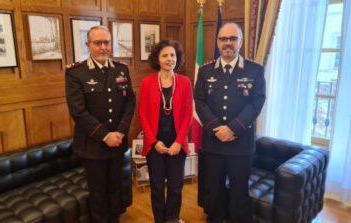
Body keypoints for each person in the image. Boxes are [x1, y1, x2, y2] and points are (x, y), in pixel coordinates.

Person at [194, 23, 266, 223]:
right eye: (223, 39)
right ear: (217, 42)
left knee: (239, 192)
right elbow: (199, 101)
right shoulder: (206, 71)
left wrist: (233, 129)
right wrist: (216, 129)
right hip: (214, 143)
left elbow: (256, 102)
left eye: (232, 39)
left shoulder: (255, 70)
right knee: (214, 190)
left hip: (240, 144)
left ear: (240, 42)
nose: (228, 43)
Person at [65, 25, 135, 223]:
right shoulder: (75, 73)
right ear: (88, 45)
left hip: (118, 143)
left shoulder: (121, 69)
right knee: (98, 193)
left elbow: (130, 102)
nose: (103, 47)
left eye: (107, 42)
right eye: (98, 43)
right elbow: (78, 112)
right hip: (93, 145)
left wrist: (120, 132)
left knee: (115, 188)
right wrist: (105, 135)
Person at [138, 39, 193, 223]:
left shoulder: (185, 82)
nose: (169, 59)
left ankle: (172, 219)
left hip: (177, 144)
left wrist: (178, 142)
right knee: (157, 186)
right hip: (155, 144)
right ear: (157, 59)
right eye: (165, 55)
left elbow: (187, 114)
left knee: (176, 186)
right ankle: (159, 220)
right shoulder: (147, 83)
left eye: (173, 55)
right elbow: (143, 115)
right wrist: (153, 142)